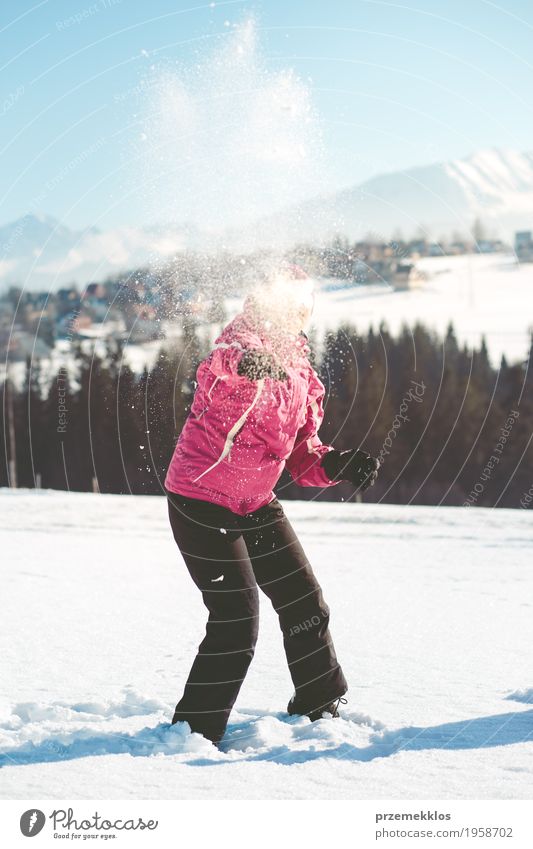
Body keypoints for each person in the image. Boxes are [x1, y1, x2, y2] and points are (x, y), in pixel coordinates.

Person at [164, 264, 379, 744]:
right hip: (200, 500)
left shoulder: (302, 371)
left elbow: (303, 455)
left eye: (305, 307)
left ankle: (319, 705)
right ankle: (192, 732)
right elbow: (218, 367)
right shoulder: (238, 344)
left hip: (255, 501)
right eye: (292, 305)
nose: (300, 315)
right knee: (237, 620)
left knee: (305, 600)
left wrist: (338, 464)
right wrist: (247, 367)